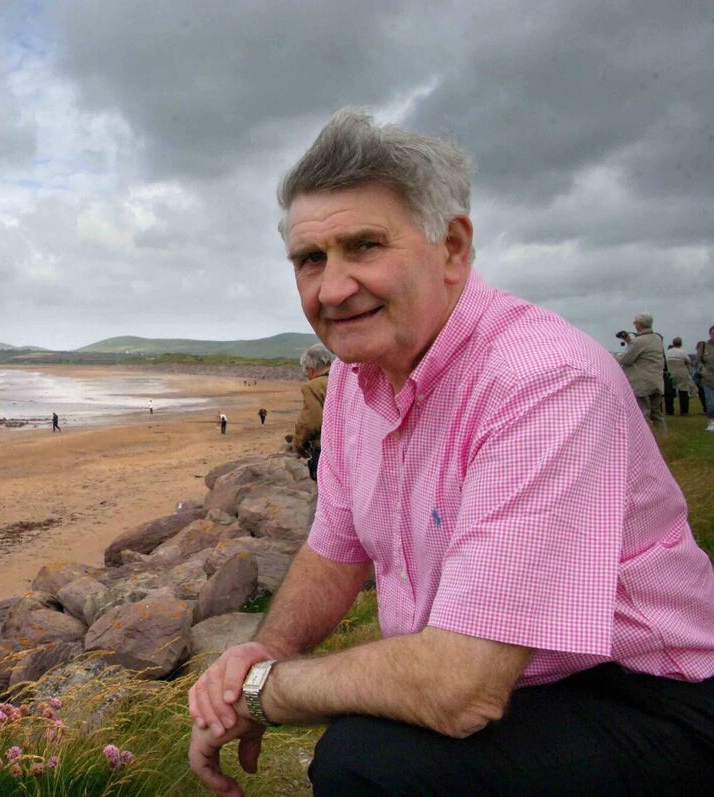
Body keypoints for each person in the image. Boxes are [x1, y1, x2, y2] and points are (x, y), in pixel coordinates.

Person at [187, 108, 714, 796]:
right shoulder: (355, 376)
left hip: (653, 695)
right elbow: (335, 546)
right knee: (370, 748)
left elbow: (461, 688)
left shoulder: (542, 382)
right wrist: (266, 650)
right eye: (311, 259)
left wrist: (263, 691)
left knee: (367, 762)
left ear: (453, 248)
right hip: (526, 681)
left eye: (364, 246)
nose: (333, 288)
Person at [618, 314, 667, 430]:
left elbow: (626, 359)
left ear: (640, 324)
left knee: (643, 413)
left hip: (642, 382)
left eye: (635, 323)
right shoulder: (657, 338)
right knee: (657, 413)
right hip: (656, 380)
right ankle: (664, 437)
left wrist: (611, 355)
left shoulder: (639, 341)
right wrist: (629, 340)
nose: (634, 325)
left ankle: (645, 441)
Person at [293, 344, 334, 481]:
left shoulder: (314, 386)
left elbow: (310, 421)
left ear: (310, 370)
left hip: (326, 449)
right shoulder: (345, 378)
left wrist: (299, 444)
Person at [665, 337, 697, 416]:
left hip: (670, 373)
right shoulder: (682, 352)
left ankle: (669, 411)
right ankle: (684, 411)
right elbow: (688, 361)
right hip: (681, 373)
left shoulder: (667, 352)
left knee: (669, 392)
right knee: (683, 391)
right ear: (681, 343)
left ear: (673, 343)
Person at [699, 326, 714, 430]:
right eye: (713, 333)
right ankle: (712, 421)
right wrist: (702, 370)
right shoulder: (704, 346)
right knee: (711, 402)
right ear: (710, 334)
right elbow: (699, 360)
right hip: (708, 378)